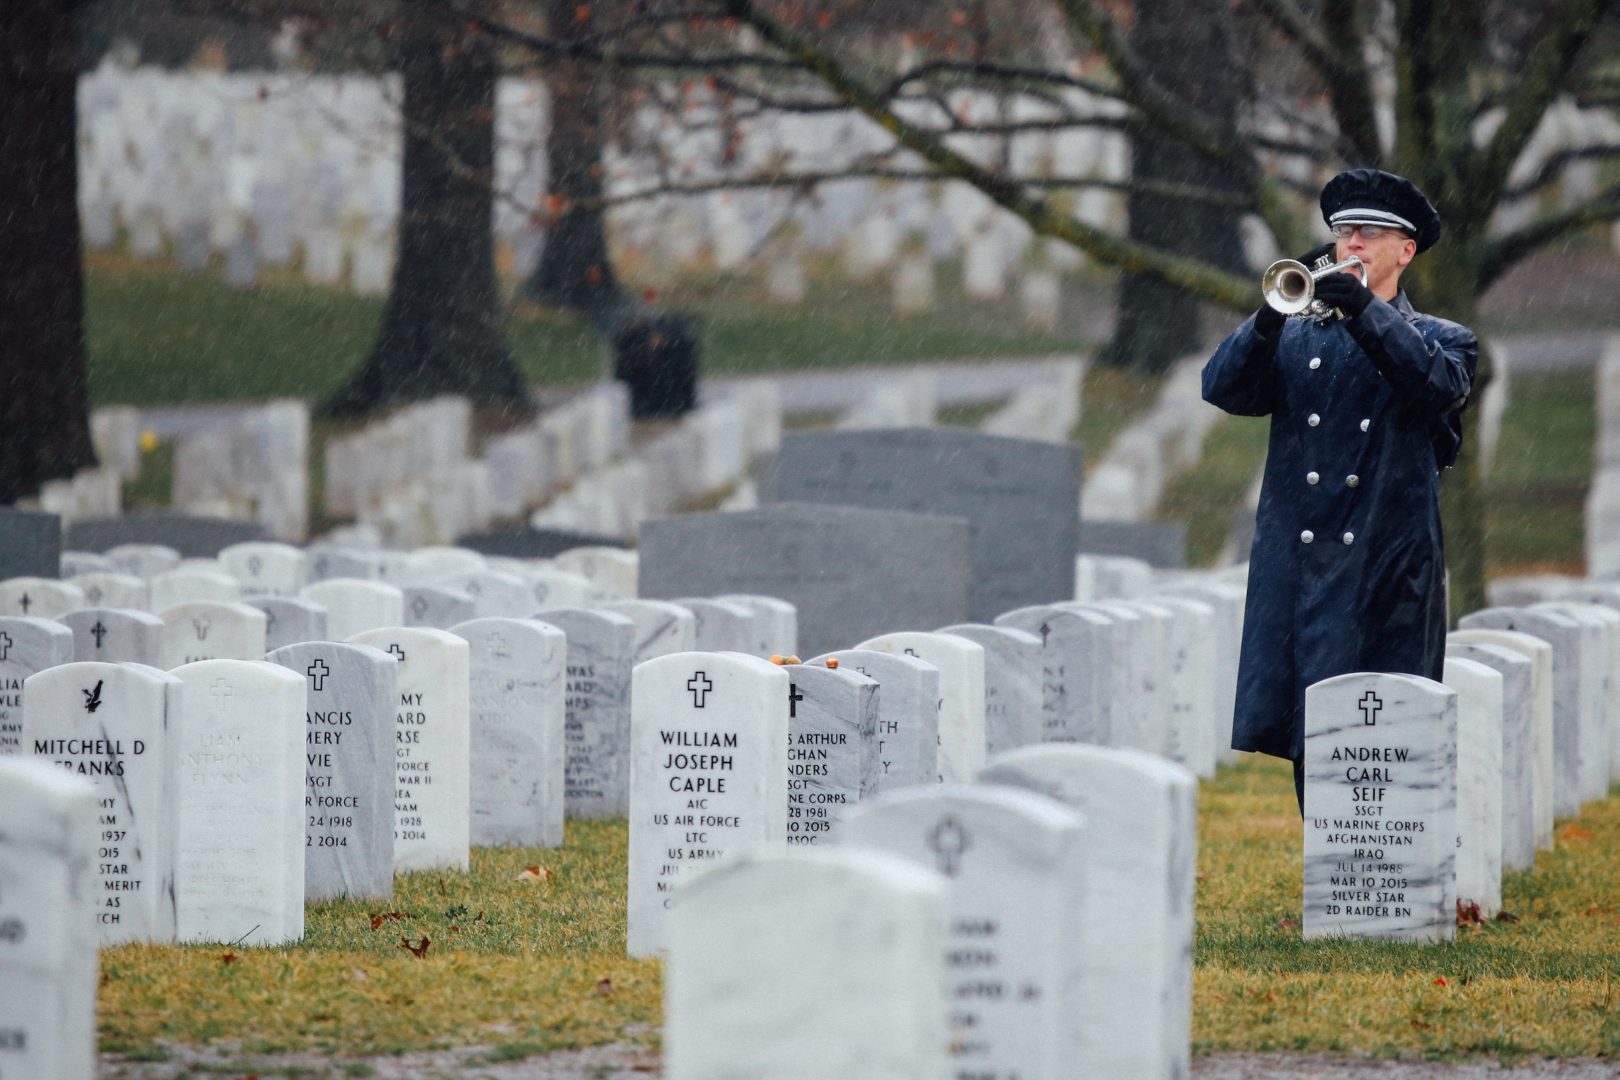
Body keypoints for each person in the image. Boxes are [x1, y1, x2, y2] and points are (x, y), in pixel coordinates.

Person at [1201, 168, 1477, 813]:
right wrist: (1269, 316)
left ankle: (1397, 877)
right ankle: (1331, 876)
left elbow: (1433, 384)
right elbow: (1222, 387)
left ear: (1405, 251)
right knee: (1312, 726)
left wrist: (1363, 310)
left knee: (1391, 723)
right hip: (1305, 563)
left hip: (1387, 560)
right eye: (1342, 231)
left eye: (1368, 233)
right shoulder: (1299, 335)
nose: (1350, 243)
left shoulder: (1444, 338)